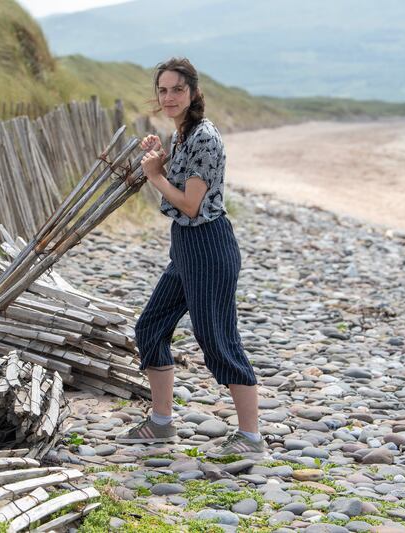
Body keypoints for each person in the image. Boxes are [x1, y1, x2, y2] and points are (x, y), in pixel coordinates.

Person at [116, 58, 264, 459]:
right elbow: (182, 191)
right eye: (162, 90)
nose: (168, 96)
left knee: (217, 338)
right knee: (150, 326)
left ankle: (250, 437)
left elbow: (192, 205)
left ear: (194, 92)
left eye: (177, 89)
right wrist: (162, 163)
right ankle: (161, 424)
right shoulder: (184, 133)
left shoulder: (204, 137)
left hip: (209, 245)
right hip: (185, 246)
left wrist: (155, 176)